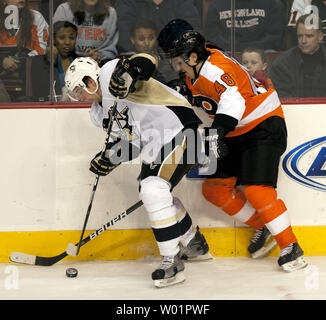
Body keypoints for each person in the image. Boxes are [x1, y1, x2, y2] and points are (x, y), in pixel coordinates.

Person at [158, 19, 308, 271]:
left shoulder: (216, 68)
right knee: (214, 189)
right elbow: (205, 101)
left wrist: (217, 133)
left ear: (193, 57)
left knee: (257, 191)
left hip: (263, 123)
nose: (176, 66)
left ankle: (291, 247)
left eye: (178, 60)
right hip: (235, 130)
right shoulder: (196, 69)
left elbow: (233, 101)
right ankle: (264, 224)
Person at [64, 54, 212, 288]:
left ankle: (172, 261)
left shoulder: (110, 71)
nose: (79, 96)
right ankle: (194, 242)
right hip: (157, 144)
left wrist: (130, 72)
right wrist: (109, 158)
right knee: (153, 191)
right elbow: (131, 145)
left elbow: (147, 60)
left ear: (90, 81)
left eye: (79, 89)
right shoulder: (99, 114)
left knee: (153, 188)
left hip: (183, 130)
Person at [0, 0, 49, 101]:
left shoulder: (36, 17)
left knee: (38, 63)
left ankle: (34, 103)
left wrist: (17, 62)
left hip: (26, 67)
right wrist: (2, 61)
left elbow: (41, 50)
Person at [270, 14, 326, 97]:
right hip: (293, 109)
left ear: (320, 37)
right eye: (300, 36)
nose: (303, 41)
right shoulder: (283, 63)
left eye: (309, 36)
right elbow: (281, 97)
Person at [115, 0, 202, 54]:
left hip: (176, 63)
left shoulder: (183, 2)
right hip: (137, 62)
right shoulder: (127, 2)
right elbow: (124, 38)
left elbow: (193, 33)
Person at [53, 0, 118, 65]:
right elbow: (56, 45)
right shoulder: (64, 10)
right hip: (69, 64)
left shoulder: (111, 13)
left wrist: (97, 57)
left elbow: (110, 49)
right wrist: (82, 59)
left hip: (99, 65)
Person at [204, 0, 286, 51]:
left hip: (262, 52)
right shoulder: (217, 4)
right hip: (227, 52)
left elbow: (274, 38)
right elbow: (212, 37)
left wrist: (250, 49)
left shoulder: (273, 4)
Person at [30, 21, 78, 102]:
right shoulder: (39, 61)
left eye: (72, 38)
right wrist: (50, 62)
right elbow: (41, 92)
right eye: (62, 38)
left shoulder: (80, 61)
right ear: (53, 40)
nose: (67, 42)